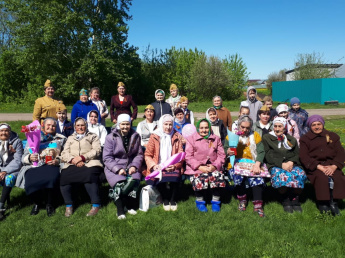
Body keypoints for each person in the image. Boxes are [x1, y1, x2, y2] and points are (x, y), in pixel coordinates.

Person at [16, 118, 66, 216]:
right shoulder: (33, 137)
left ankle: (49, 203)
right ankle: (37, 202)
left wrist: (57, 160)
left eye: (53, 126)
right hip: (35, 166)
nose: (51, 127)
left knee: (51, 178)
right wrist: (30, 157)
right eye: (48, 125)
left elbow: (65, 154)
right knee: (30, 182)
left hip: (52, 164)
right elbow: (24, 156)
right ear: (43, 125)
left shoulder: (61, 139)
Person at [299, 115, 345, 215]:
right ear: (310, 126)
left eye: (319, 124)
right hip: (315, 166)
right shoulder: (305, 139)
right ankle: (323, 203)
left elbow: (341, 153)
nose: (316, 127)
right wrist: (318, 166)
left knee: (338, 176)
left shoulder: (332, 136)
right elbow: (304, 156)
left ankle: (334, 202)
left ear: (322, 124)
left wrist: (334, 166)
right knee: (321, 178)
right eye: (313, 125)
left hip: (331, 164)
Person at [60, 117, 103, 217]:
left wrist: (82, 157)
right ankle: (69, 205)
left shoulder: (93, 136)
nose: (80, 127)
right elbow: (64, 153)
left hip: (90, 162)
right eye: (78, 125)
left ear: (86, 126)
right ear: (75, 127)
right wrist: (73, 160)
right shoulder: (70, 138)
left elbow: (97, 150)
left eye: (82, 125)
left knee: (89, 175)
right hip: (73, 162)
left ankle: (96, 204)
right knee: (64, 176)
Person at [224, 115, 266, 217]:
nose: (245, 130)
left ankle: (258, 204)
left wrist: (257, 164)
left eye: (247, 128)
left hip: (252, 162)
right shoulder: (231, 136)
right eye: (242, 127)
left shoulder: (255, 136)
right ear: (239, 126)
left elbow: (261, 152)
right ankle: (242, 200)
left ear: (251, 127)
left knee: (256, 175)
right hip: (236, 163)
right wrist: (228, 151)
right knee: (238, 175)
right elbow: (225, 149)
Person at [262, 117, 306, 213]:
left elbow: (297, 154)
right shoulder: (267, 138)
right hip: (275, 164)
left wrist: (291, 162)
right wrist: (281, 164)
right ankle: (285, 199)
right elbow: (267, 155)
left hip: (291, 164)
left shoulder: (291, 139)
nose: (277, 129)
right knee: (282, 175)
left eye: (280, 126)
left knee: (299, 174)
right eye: (275, 126)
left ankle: (295, 198)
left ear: (285, 128)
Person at [103, 114, 143, 219]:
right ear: (118, 124)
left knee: (134, 180)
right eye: (123, 124)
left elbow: (138, 154)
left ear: (130, 124)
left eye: (127, 124)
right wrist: (118, 169)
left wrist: (134, 166)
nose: (125, 126)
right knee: (119, 183)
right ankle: (120, 210)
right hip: (114, 166)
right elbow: (107, 157)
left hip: (130, 164)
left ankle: (130, 205)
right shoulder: (110, 137)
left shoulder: (135, 136)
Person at [185, 119, 226, 212]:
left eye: (206, 128)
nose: (204, 130)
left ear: (210, 128)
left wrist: (215, 166)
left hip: (213, 165)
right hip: (197, 166)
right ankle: (200, 202)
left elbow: (222, 155)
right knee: (198, 178)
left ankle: (215, 202)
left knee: (217, 176)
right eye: (202, 128)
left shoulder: (216, 138)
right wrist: (199, 167)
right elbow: (188, 156)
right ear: (198, 128)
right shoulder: (191, 139)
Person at [144, 114, 183, 211]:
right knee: (160, 176)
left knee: (176, 174)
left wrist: (174, 166)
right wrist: (154, 165)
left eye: (170, 124)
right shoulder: (154, 136)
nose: (168, 127)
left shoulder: (177, 135)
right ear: (161, 124)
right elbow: (148, 154)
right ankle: (165, 199)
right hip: (158, 164)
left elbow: (181, 155)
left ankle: (173, 200)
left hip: (172, 165)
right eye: (166, 124)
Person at [0, 123, 23, 220]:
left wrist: (5, 171)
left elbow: (18, 160)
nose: (4, 133)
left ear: (10, 132)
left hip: (13, 169)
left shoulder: (17, 142)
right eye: (1, 131)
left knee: (9, 179)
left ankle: (1, 207)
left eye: (6, 131)